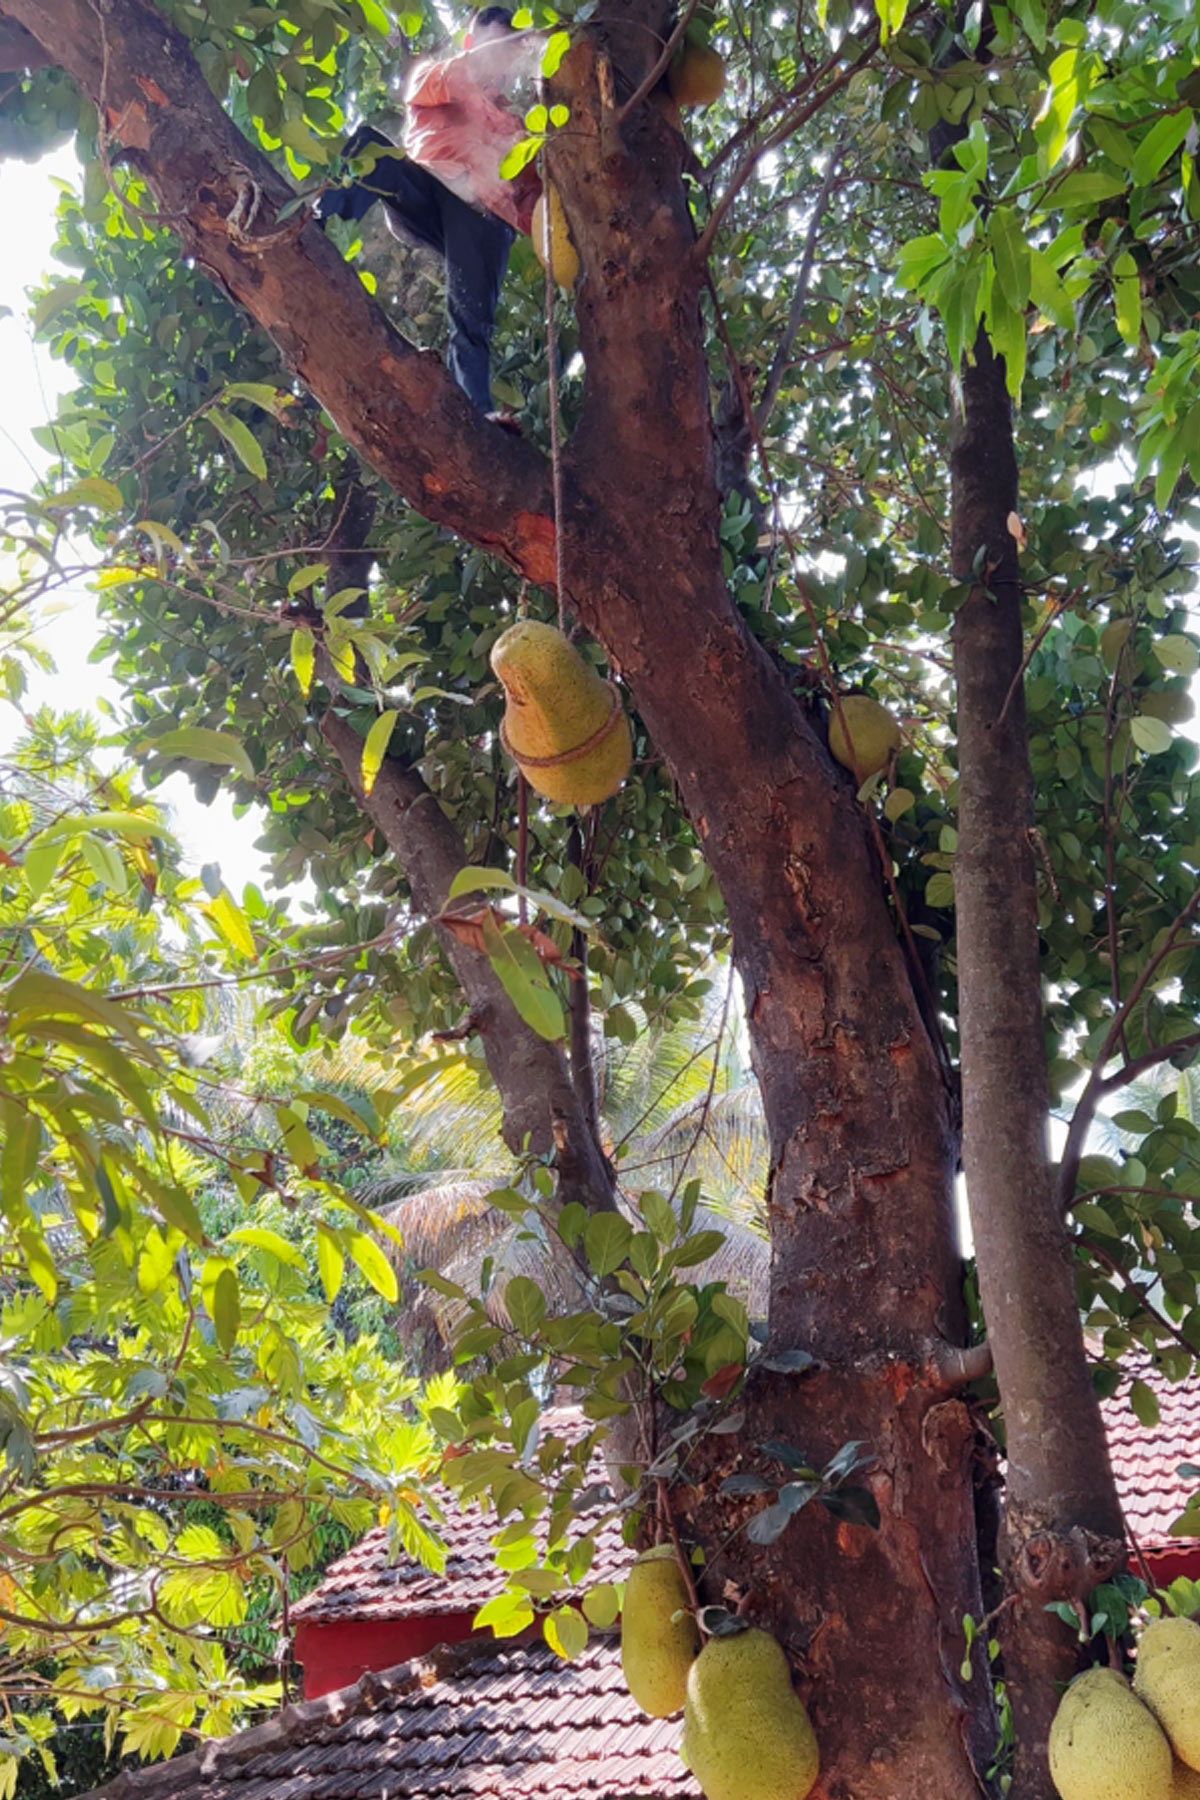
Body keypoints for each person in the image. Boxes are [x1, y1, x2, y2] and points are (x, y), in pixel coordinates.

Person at [315, 7, 545, 424]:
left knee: (472, 320)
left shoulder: (519, 126)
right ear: (472, 43)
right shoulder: (435, 74)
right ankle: (315, 220)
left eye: (508, 51)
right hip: (426, 191)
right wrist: (483, 61)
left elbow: (533, 206)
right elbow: (437, 85)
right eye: (495, 45)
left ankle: (477, 414)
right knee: (369, 147)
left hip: (482, 217)